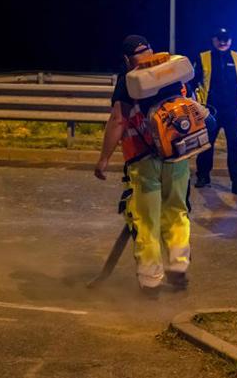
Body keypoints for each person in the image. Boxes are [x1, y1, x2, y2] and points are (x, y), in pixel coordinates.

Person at [94, 35, 191, 299]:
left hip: (143, 159)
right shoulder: (173, 68)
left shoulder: (130, 79)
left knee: (146, 221)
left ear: (127, 59)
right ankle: (178, 268)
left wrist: (104, 159)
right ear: (151, 49)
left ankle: (150, 282)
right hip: (178, 157)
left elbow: (118, 120)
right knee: (177, 212)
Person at [192, 28, 237, 196]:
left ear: (231, 40)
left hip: (232, 110)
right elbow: (194, 83)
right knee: (206, 145)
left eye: (226, 39)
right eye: (219, 38)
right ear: (213, 40)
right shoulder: (203, 57)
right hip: (210, 110)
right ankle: (203, 176)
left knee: (236, 147)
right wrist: (198, 105)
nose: (223, 42)